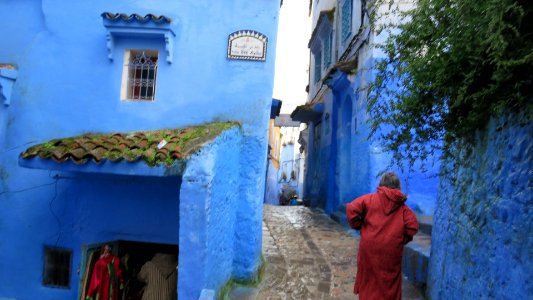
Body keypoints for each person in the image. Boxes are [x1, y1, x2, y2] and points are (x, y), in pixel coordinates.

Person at [346, 172, 419, 300]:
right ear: (398, 186)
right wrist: (401, 239)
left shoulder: (369, 199)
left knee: (369, 280)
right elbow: (413, 226)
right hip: (391, 251)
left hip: (368, 249)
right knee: (389, 281)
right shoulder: (402, 208)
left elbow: (352, 208)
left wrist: (360, 226)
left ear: (381, 184)